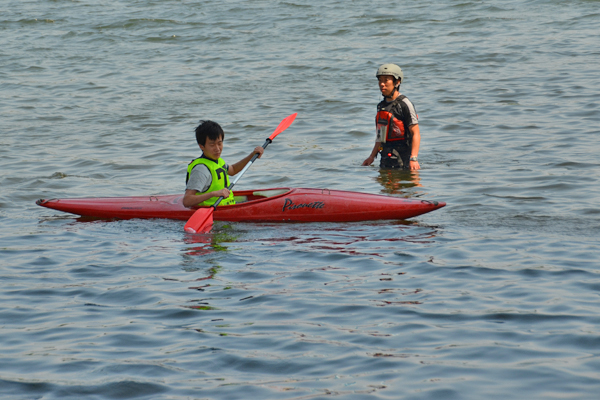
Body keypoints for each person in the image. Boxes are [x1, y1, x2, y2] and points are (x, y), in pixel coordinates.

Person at [183, 120, 264, 208]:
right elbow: (187, 200)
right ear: (201, 146)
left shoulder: (218, 161)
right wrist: (214, 194)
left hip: (228, 206)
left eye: (219, 143)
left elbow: (233, 170)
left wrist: (252, 155)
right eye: (212, 144)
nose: (217, 149)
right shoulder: (201, 169)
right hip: (213, 211)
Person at [362, 64, 421, 170]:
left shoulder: (404, 104)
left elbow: (416, 133)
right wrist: (371, 157)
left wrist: (414, 159)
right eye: (380, 80)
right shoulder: (381, 106)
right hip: (385, 160)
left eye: (386, 80)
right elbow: (381, 136)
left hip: (404, 161)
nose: (382, 84)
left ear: (397, 82)